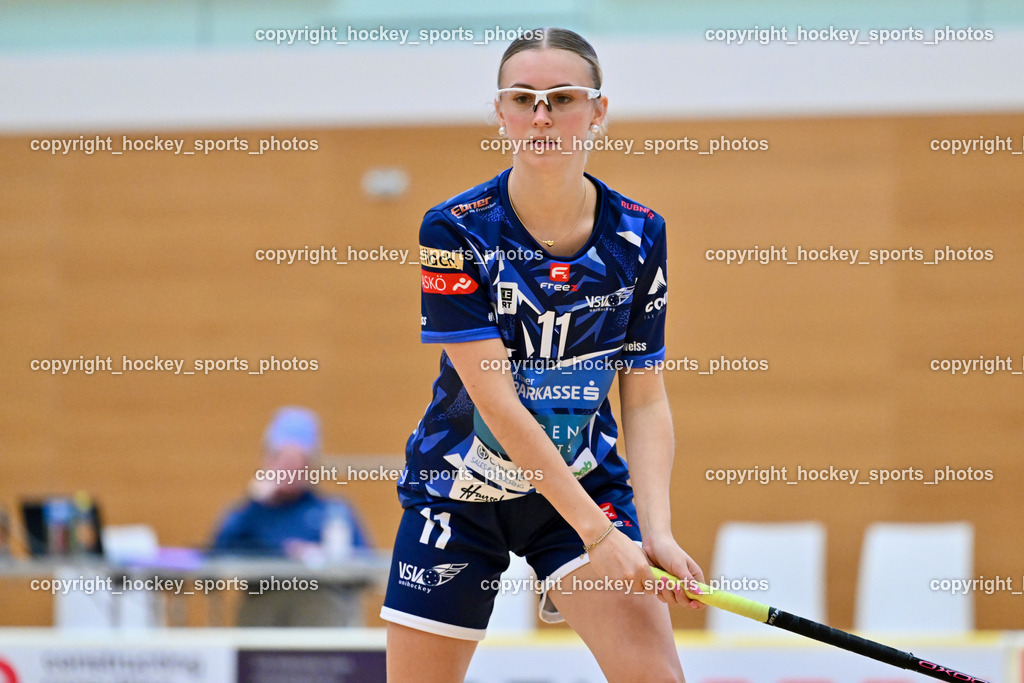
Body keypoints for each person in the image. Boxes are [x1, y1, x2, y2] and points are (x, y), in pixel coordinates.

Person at [382, 28, 704, 682]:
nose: (542, 115)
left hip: (583, 481)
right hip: (459, 487)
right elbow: (497, 404)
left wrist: (656, 531)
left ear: (599, 111)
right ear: (499, 113)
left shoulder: (641, 233)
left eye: (562, 97)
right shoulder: (454, 229)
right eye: (523, 98)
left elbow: (643, 396)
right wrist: (599, 535)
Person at [210, 406, 372, 626]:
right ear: (268, 460)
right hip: (263, 627)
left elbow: (367, 569)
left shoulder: (333, 511)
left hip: (321, 627)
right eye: (282, 459)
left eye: (297, 461)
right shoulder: (252, 514)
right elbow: (216, 555)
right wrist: (253, 503)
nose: (289, 468)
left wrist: (322, 556)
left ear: (310, 464)